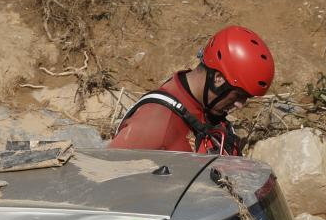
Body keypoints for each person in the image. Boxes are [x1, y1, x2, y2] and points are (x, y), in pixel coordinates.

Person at [107, 26, 274, 156]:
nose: (240, 105)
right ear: (218, 78)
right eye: (238, 95)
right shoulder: (156, 125)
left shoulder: (207, 110)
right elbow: (108, 184)